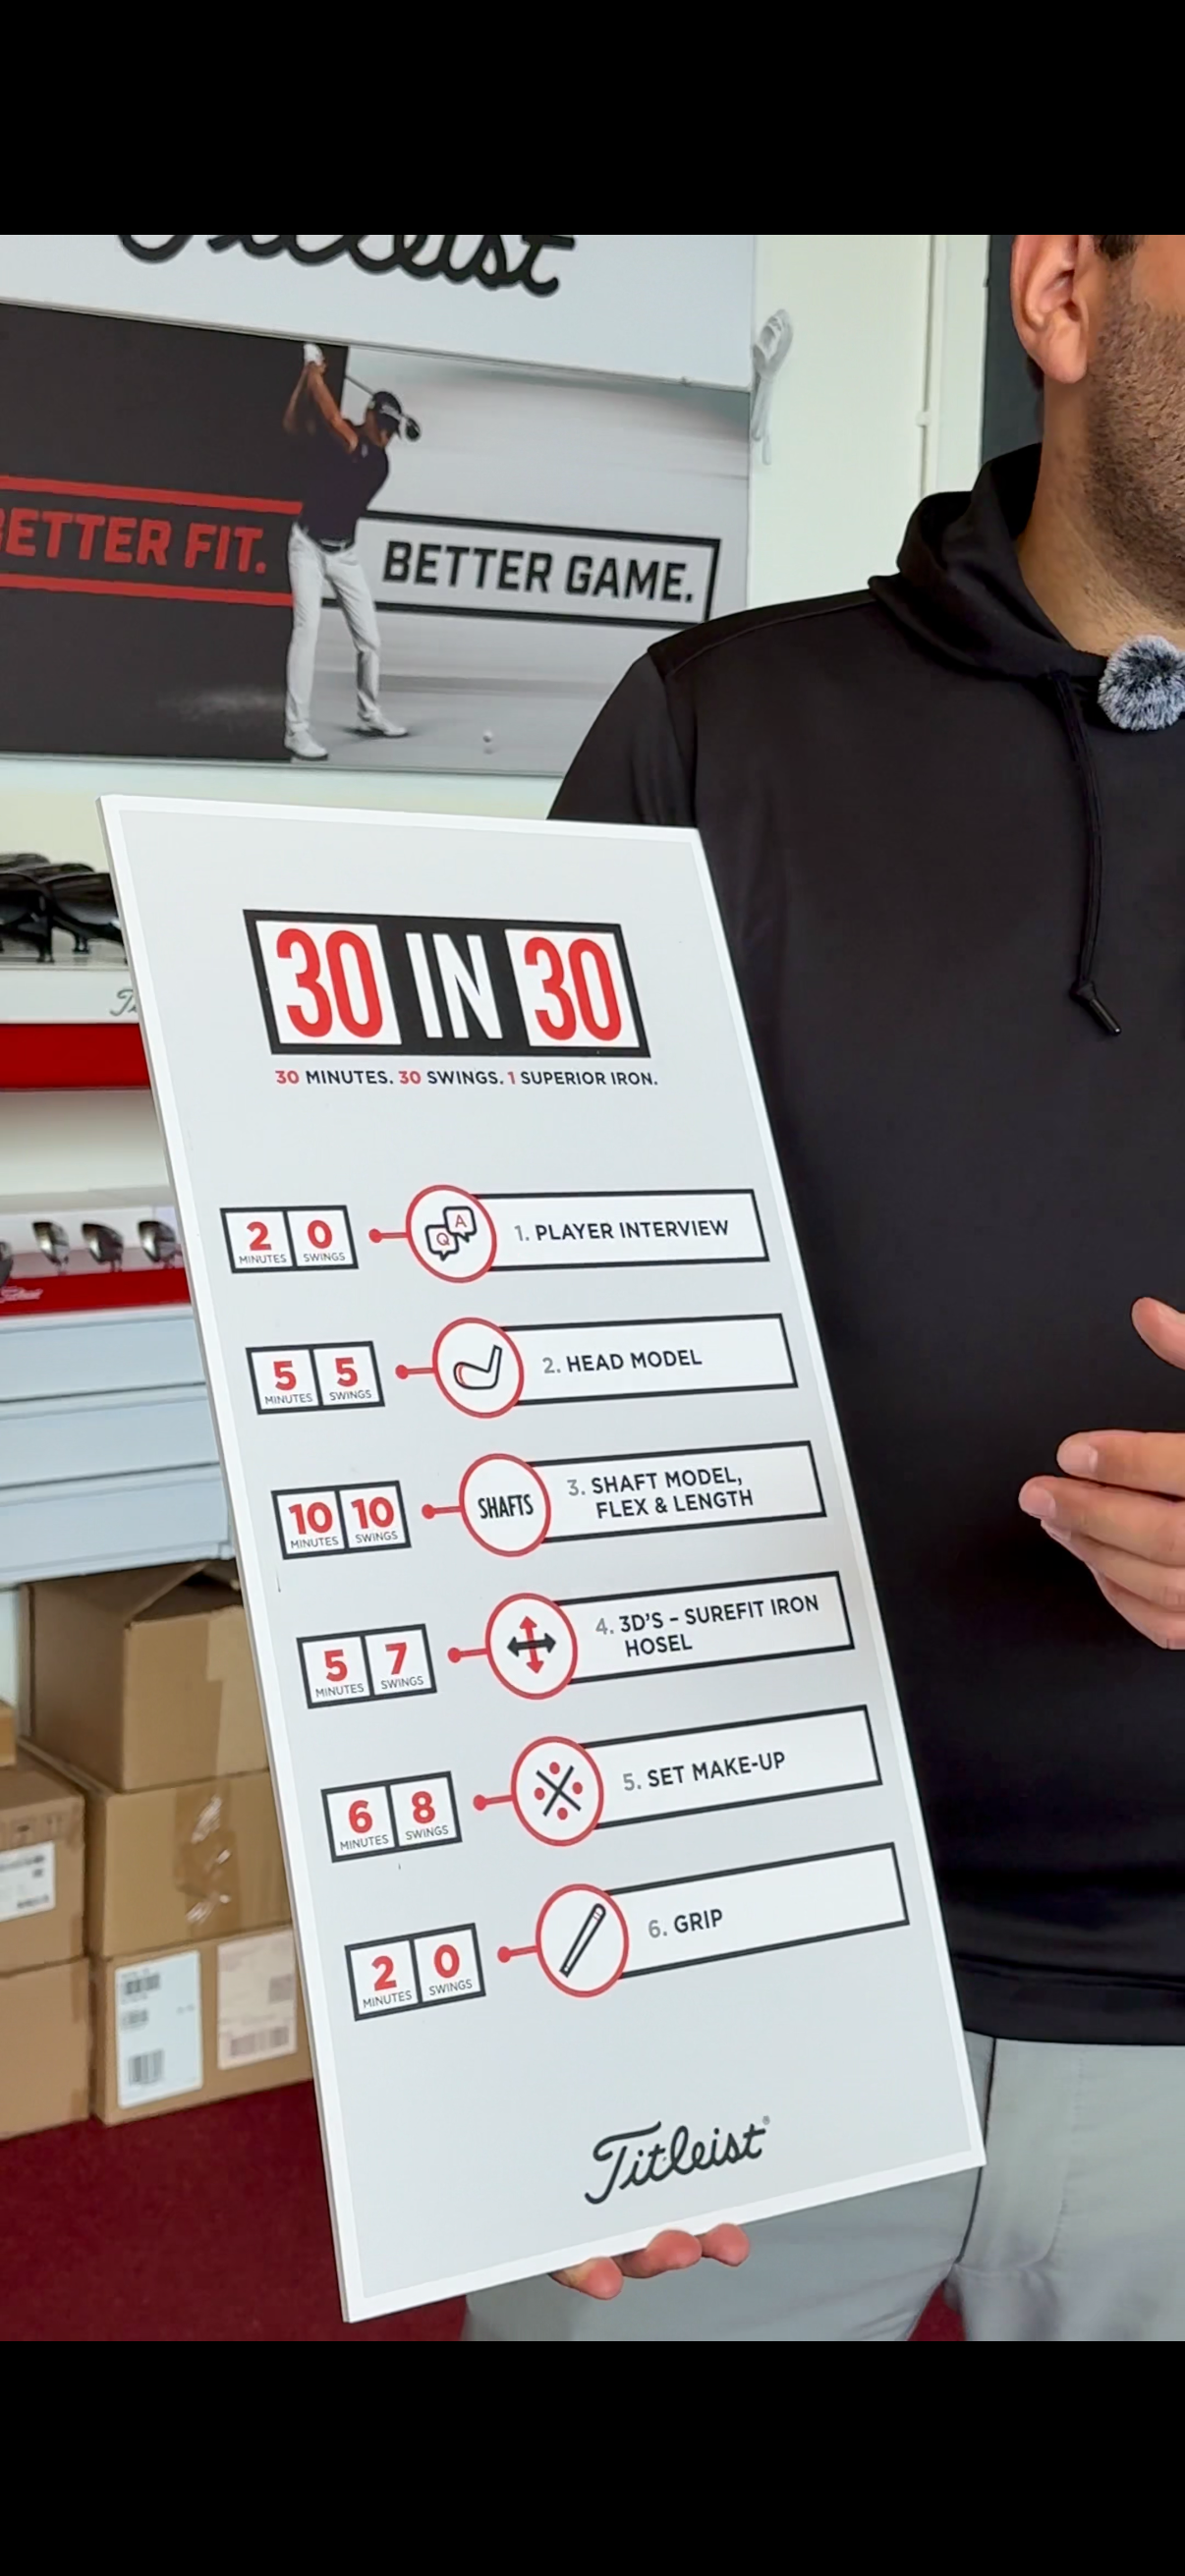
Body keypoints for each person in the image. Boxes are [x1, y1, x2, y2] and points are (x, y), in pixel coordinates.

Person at [467, 236, 1185, 2343]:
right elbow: (481, 1349)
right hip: (719, 1963)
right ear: (1063, 293)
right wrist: (515, 1974)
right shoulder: (723, 728)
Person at [281, 349, 411, 760]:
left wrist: (314, 371)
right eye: (383, 426)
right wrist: (306, 379)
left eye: (392, 431)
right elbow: (293, 423)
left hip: (343, 556)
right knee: (307, 633)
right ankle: (296, 731)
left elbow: (335, 421)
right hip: (306, 547)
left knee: (369, 640)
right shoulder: (345, 437)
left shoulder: (376, 461)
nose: (387, 436)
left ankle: (369, 713)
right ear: (370, 415)